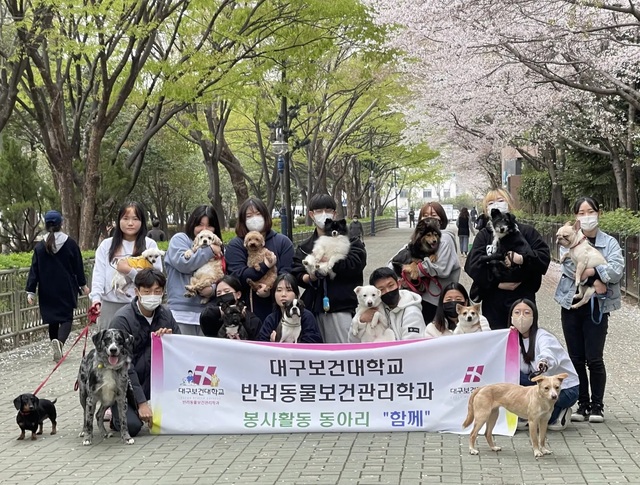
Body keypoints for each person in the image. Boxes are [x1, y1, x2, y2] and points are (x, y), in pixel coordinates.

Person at [554, 197, 623, 424]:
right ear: (576, 218)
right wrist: (597, 274)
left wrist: (594, 274)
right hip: (570, 302)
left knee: (594, 358)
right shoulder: (568, 240)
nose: (586, 216)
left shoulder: (609, 242)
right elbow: (567, 266)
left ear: (598, 213)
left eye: (590, 211)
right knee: (575, 357)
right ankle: (581, 404)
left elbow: (616, 270)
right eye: (581, 213)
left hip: (598, 305)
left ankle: (597, 406)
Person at [465, 189, 550, 330]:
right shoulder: (484, 235)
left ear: (509, 204)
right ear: (487, 210)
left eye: (500, 200)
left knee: (524, 342)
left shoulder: (527, 232)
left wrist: (522, 259)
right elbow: (472, 265)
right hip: (493, 300)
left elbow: (543, 258)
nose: (496, 205)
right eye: (491, 203)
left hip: (523, 298)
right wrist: (495, 283)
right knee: (496, 342)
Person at [109, 268, 180, 437]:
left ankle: (157, 403)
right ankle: (117, 412)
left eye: (157, 291)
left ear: (163, 292)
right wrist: (141, 403)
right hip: (125, 384)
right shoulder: (122, 320)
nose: (152, 296)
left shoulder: (166, 314)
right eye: (147, 291)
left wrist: (170, 341)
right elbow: (125, 365)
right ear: (137, 292)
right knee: (132, 427)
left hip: (157, 382)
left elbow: (181, 352)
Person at [291, 194, 366, 343]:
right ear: (311, 214)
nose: (324, 214)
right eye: (319, 211)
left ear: (335, 213)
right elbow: (296, 272)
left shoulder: (351, 242)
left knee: (342, 354)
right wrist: (309, 277)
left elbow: (356, 264)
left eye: (328, 210)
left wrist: (330, 261)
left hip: (341, 307)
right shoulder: (305, 247)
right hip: (313, 308)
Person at [25, 210, 90, 362]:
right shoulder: (70, 243)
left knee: (52, 320)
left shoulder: (40, 247)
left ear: (46, 225)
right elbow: (78, 266)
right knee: (66, 318)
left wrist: (31, 292)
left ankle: (56, 345)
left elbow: (34, 269)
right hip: (66, 288)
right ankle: (59, 343)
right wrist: (83, 285)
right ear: (61, 224)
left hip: (47, 289)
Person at [90, 202, 162, 330]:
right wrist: (96, 299)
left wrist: (129, 271)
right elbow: (98, 274)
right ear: (118, 221)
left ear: (142, 222)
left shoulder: (150, 245)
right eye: (125, 218)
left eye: (135, 219)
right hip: (110, 306)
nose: (130, 223)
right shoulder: (106, 245)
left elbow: (156, 278)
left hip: (141, 307)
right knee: (110, 347)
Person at [510, 299, 579, 431]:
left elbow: (548, 353)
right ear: (511, 317)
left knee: (544, 420)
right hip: (539, 386)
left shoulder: (543, 336)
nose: (521, 317)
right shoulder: (512, 338)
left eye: (526, 313)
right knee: (512, 375)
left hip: (564, 389)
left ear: (534, 317)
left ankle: (560, 412)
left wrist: (543, 363)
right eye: (517, 312)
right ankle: (526, 413)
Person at [390, 202, 460, 324]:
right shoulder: (416, 240)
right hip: (419, 297)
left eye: (434, 214)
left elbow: (440, 268)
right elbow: (394, 262)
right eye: (425, 215)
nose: (429, 217)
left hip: (436, 299)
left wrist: (417, 268)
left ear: (441, 218)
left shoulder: (445, 238)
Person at [225, 198, 294, 323]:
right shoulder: (236, 245)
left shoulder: (283, 242)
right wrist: (265, 265)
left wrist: (271, 289)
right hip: (248, 311)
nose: (254, 219)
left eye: (258, 214)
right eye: (249, 216)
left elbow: (287, 274)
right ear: (242, 220)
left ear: (265, 216)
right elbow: (238, 276)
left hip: (279, 310)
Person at [165, 205, 223, 336]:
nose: (204, 230)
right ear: (192, 224)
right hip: (181, 312)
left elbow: (220, 274)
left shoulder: (218, 245)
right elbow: (185, 264)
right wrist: (210, 251)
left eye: (209, 226)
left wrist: (212, 289)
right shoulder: (180, 239)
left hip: (207, 313)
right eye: (200, 225)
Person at [350, 267, 425, 342]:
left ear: (398, 284)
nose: (387, 291)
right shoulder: (376, 307)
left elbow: (412, 345)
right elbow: (353, 341)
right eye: (381, 289)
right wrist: (361, 321)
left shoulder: (411, 312)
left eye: (391, 285)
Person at [257, 273, 323, 343]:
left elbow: (313, 342)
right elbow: (261, 344)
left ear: (296, 295)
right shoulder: (271, 319)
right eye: (279, 290)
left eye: (288, 290)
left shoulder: (307, 317)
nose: (283, 294)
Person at [199, 275, 262, 339]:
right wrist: (224, 310)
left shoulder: (252, 320)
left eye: (227, 291)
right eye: (219, 293)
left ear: (238, 294)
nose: (223, 294)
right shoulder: (213, 315)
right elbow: (205, 316)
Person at [424, 283, 489, 337]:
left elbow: (488, 340)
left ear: (465, 302)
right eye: (448, 300)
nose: (454, 303)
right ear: (442, 303)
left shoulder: (481, 320)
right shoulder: (432, 328)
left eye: (458, 299)